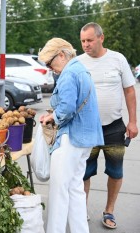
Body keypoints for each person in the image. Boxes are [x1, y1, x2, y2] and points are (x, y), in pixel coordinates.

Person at [38, 38, 104, 233]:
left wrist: (52, 117)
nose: (50, 68)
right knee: (75, 190)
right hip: (85, 140)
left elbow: (66, 109)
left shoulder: (68, 74)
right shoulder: (81, 70)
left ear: (61, 54)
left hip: (71, 138)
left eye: (50, 63)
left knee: (59, 192)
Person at [78, 22, 138, 229]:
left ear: (101, 38)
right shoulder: (77, 63)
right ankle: (81, 212)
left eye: (90, 40)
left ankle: (109, 211)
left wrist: (132, 121)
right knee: (84, 172)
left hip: (114, 127)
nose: (86, 45)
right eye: (83, 41)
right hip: (86, 129)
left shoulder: (117, 59)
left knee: (115, 171)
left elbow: (130, 91)